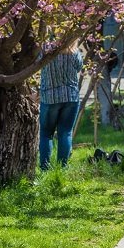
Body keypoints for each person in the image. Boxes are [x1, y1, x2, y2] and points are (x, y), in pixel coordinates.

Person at [39, 40, 83, 169]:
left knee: (46, 134)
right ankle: (62, 168)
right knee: (66, 133)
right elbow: (79, 67)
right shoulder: (74, 51)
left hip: (50, 97)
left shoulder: (45, 49)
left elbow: (36, 65)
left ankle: (45, 168)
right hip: (71, 97)